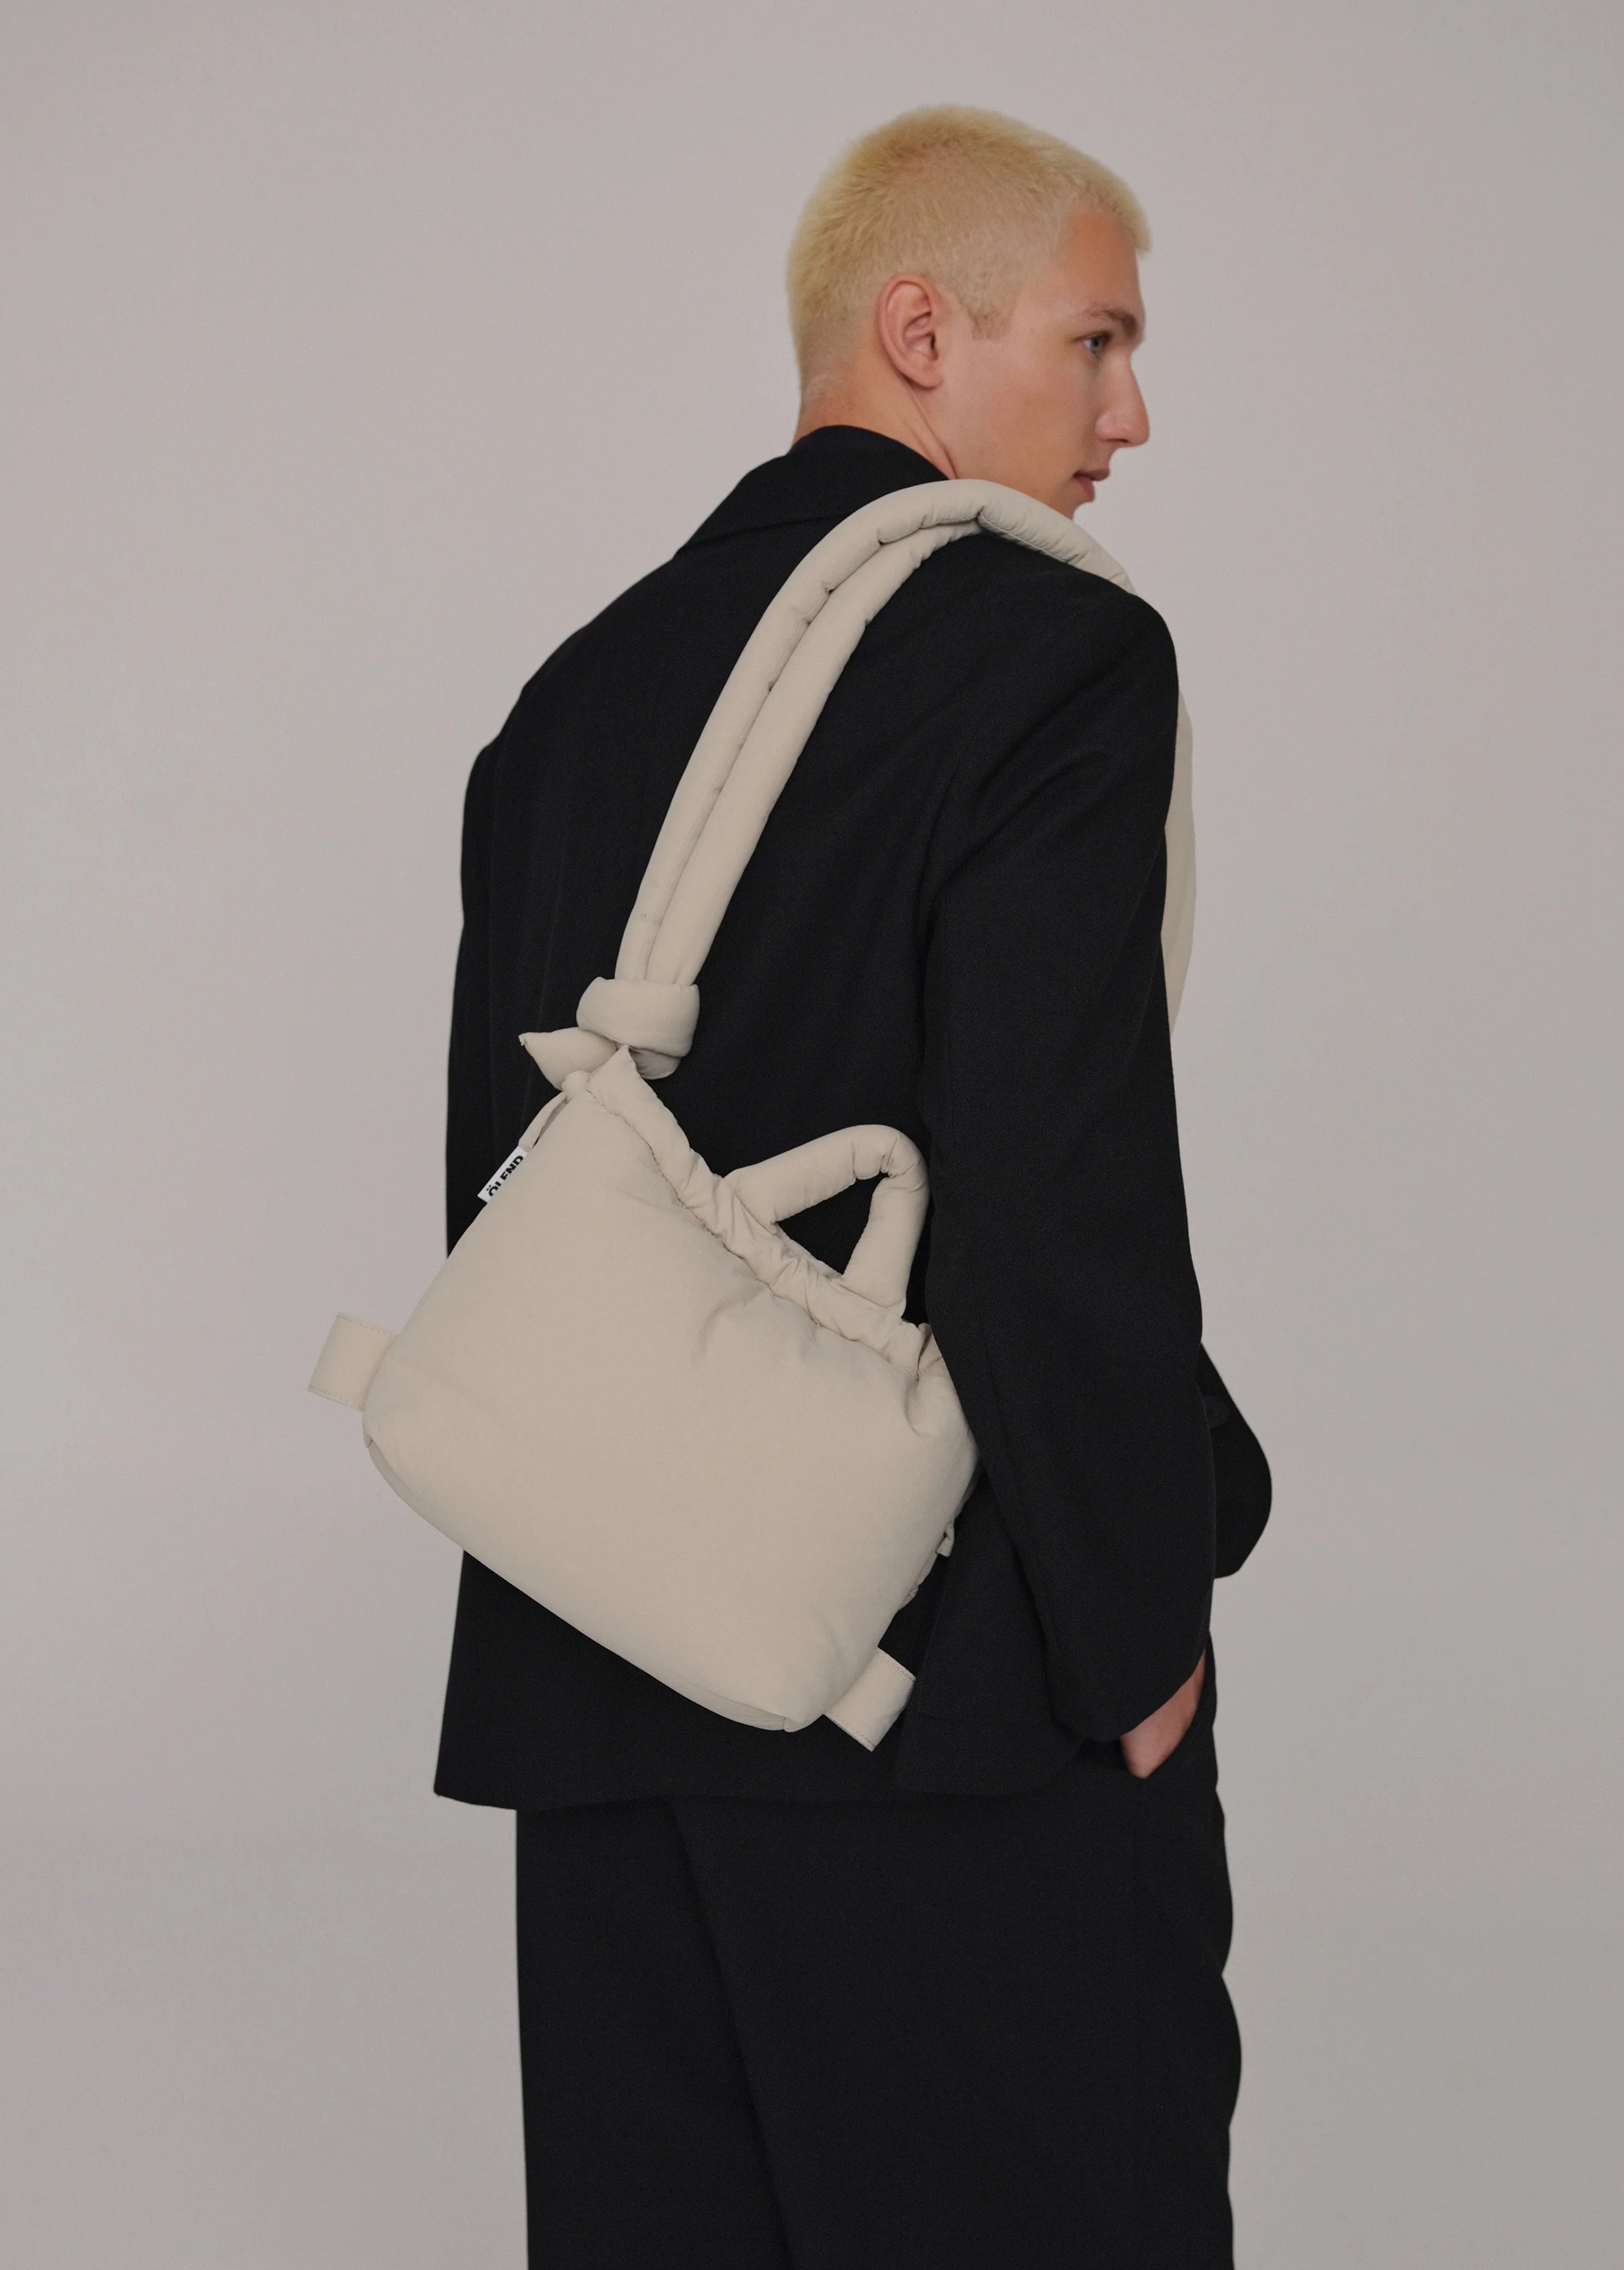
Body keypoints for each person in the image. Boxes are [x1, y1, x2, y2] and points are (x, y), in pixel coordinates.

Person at [434, 104, 1272, 2269]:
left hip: (605, 1680)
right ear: (921, 329)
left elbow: (507, 1190)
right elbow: (1058, 1183)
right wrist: (1138, 1643)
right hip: (953, 1706)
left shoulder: (572, 699)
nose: (1131, 415)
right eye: (1095, 342)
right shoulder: (1052, 652)